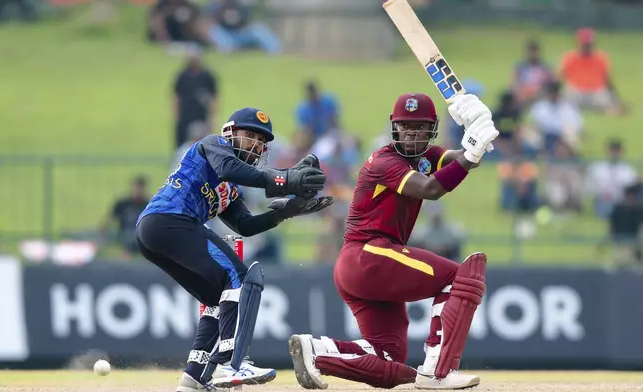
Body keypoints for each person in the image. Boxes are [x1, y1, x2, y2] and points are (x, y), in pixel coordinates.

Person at [288, 93, 499, 390]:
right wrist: (472, 151)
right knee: (460, 277)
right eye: (405, 126)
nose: (412, 133)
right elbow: (431, 188)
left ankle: (317, 352)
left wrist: (478, 131)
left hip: (360, 264)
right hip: (370, 254)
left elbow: (461, 160)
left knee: (389, 360)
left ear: (431, 129)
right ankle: (439, 371)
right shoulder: (385, 160)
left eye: (420, 127)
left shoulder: (427, 157)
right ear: (394, 128)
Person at [135, 107, 333, 391]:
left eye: (260, 140)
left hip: (157, 232)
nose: (255, 143)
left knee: (217, 299)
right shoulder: (212, 143)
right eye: (249, 134)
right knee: (241, 277)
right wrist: (285, 180)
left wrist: (286, 212)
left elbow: (244, 225)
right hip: (168, 220)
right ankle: (233, 363)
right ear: (230, 133)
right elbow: (229, 168)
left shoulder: (231, 186)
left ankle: (194, 376)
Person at [173, 51, 219, 149]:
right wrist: (177, 116)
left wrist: (212, 119)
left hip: (201, 118)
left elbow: (213, 99)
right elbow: (176, 97)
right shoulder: (182, 76)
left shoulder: (207, 76)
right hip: (185, 119)